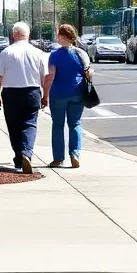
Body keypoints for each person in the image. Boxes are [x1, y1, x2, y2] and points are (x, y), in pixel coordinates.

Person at [0, 21, 52, 174]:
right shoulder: (37, 53)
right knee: (30, 123)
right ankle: (27, 152)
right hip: (32, 92)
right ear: (28, 34)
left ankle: (19, 155)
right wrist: (45, 96)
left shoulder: (6, 52)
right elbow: (45, 77)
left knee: (13, 126)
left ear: (14, 34)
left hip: (11, 92)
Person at [48, 24, 93, 169]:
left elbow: (51, 75)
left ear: (61, 37)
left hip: (58, 94)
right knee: (75, 123)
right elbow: (88, 72)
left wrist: (44, 93)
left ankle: (58, 158)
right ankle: (75, 153)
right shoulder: (81, 53)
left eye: (58, 35)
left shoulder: (55, 55)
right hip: (77, 93)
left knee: (58, 125)